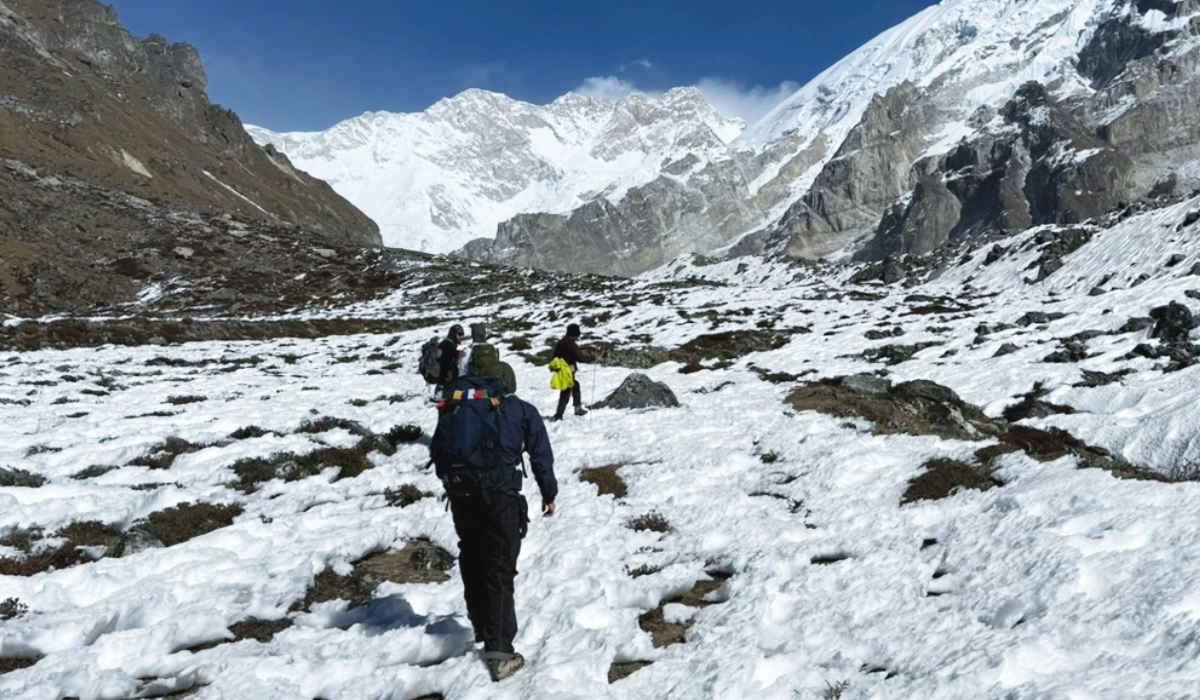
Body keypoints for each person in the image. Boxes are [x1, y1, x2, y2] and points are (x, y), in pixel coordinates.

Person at [430, 372, 557, 682]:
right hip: (500, 500)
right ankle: (500, 654)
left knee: (472, 560)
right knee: (498, 570)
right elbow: (540, 453)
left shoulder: (456, 406)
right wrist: (549, 493)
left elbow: (437, 452)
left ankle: (480, 627)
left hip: (461, 496)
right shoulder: (520, 409)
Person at [552, 322, 593, 421]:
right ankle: (560, 414)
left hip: (560, 371)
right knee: (566, 393)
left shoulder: (561, 343)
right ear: (575, 334)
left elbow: (553, 357)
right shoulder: (571, 344)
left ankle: (574, 409)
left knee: (574, 387)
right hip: (568, 372)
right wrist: (591, 358)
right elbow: (580, 358)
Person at [436, 324, 466, 389]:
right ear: (454, 334)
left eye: (462, 334)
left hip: (446, 378)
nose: (461, 337)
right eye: (459, 334)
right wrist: (458, 353)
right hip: (446, 378)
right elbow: (450, 352)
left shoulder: (450, 343)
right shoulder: (447, 343)